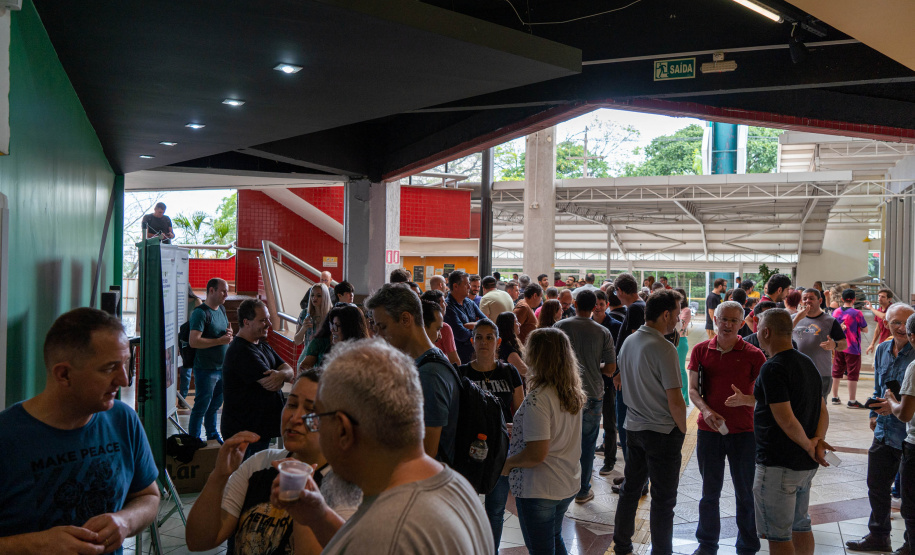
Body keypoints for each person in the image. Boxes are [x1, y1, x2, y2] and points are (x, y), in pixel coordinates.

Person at [271, 339, 493, 554]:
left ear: (343, 430)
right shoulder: (455, 486)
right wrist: (319, 517)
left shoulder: (387, 531)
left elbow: (380, 541)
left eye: (317, 417)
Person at [0, 308, 160, 554]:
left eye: (126, 364)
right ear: (64, 374)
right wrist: (33, 545)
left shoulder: (123, 419)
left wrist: (125, 521)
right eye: (109, 368)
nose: (124, 380)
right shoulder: (8, 436)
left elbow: (149, 496)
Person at [185, 369, 362, 555]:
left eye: (311, 410)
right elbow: (198, 541)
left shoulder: (348, 490)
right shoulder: (260, 464)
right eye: (292, 404)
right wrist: (219, 476)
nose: (294, 418)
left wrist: (305, 514)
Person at [687, 301, 767, 555]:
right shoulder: (701, 350)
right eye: (724, 319)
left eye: (734, 320)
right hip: (709, 431)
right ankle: (707, 543)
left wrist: (747, 400)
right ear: (715, 320)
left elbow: (768, 397)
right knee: (709, 491)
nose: (728, 325)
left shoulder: (755, 355)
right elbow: (692, 390)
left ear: (742, 324)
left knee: (745, 492)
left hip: (744, 432)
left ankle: (747, 544)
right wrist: (706, 410)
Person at [613, 289, 687, 555]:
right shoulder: (664, 348)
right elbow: (675, 399)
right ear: (665, 314)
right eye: (677, 314)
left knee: (630, 490)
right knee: (663, 501)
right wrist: (683, 429)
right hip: (662, 432)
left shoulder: (629, 342)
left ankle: (622, 544)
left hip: (633, 428)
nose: (678, 319)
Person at [752, 308, 831, 555]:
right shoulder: (806, 362)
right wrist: (818, 441)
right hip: (804, 466)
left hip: (779, 466)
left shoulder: (773, 367)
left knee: (779, 536)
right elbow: (822, 410)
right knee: (800, 526)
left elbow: (785, 418)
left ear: (766, 332)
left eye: (758, 328)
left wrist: (810, 444)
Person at [502, 328, 586, 555]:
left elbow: (536, 454)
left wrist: (506, 465)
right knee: (554, 538)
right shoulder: (570, 391)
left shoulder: (538, 398)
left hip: (540, 488)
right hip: (566, 481)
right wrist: (520, 428)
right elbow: (556, 431)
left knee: (541, 549)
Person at [845, 303, 915, 553]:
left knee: (910, 496)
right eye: (895, 322)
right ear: (885, 323)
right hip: (885, 430)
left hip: (909, 435)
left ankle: (910, 542)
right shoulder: (883, 349)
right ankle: (878, 535)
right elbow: (878, 387)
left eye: (906, 323)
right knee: (876, 486)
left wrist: (895, 406)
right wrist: (873, 414)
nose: (901, 328)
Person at [366, 284, 459, 464]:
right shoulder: (427, 362)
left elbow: (425, 454)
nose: (377, 335)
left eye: (383, 327)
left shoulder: (430, 375)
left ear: (406, 319)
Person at [458, 320, 524, 551]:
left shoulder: (509, 371)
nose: (483, 342)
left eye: (489, 337)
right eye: (479, 337)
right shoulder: (462, 373)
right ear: (472, 341)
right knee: (466, 509)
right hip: (469, 452)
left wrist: (515, 427)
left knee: (495, 511)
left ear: (497, 342)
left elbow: (521, 411)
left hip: (501, 451)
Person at [554, 290, 617, 503]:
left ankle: (561, 486)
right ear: (594, 307)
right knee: (588, 442)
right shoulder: (602, 332)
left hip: (563, 392)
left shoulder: (560, 327)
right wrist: (593, 365)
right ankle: (582, 490)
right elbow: (610, 368)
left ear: (575, 303)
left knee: (562, 440)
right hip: (592, 393)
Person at [221, 299, 294, 458]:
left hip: (258, 431)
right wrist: (282, 375)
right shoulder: (241, 352)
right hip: (245, 434)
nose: (268, 323)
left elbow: (289, 370)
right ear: (246, 322)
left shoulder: (261, 345)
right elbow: (272, 385)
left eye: (267, 318)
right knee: (247, 480)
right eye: (262, 320)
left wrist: (281, 374)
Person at [883, 313, 915, 555]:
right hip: (892, 435)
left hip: (913, 443)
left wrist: (891, 401)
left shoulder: (914, 366)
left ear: (913, 337)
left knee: (911, 508)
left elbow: (904, 413)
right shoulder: (884, 349)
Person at [189, 277, 233, 443]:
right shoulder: (200, 313)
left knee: (214, 407)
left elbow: (223, 335)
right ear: (211, 290)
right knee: (201, 407)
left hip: (222, 368)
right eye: (223, 291)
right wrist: (219, 341)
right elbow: (194, 341)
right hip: (206, 369)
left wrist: (228, 336)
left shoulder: (221, 309)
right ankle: (193, 439)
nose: (226, 295)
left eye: (227, 291)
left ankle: (212, 434)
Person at [612, 273, 647, 477]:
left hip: (627, 379)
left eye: (617, 292)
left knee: (625, 427)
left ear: (621, 291)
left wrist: (622, 373)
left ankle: (634, 478)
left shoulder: (635, 308)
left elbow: (635, 343)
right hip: (632, 377)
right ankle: (634, 476)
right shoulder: (640, 306)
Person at [791, 288, 847, 398]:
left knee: (819, 407)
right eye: (805, 299)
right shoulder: (793, 319)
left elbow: (844, 344)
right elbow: (781, 335)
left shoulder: (830, 321)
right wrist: (797, 319)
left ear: (820, 301)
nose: (807, 301)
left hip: (821, 372)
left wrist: (834, 345)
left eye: (811, 298)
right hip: (797, 372)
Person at [832, 288, 869, 408]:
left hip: (839, 346)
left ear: (842, 299)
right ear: (854, 299)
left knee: (837, 371)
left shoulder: (836, 312)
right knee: (852, 374)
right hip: (852, 348)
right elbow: (865, 329)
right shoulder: (857, 313)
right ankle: (852, 401)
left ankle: (834, 397)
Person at [443, 270, 487, 364]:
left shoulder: (469, 302)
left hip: (474, 355)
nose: (469, 287)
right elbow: (461, 335)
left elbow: (487, 322)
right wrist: (479, 329)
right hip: (460, 358)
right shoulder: (448, 307)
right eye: (466, 284)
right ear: (455, 286)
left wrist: (472, 325)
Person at [295, 283, 332, 369]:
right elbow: (297, 341)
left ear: (325, 297)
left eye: (319, 296)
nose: (314, 298)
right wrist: (304, 328)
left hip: (325, 357)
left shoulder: (331, 314)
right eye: (312, 295)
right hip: (307, 356)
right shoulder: (305, 314)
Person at [421, 289, 461, 365]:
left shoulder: (418, 324)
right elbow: (455, 360)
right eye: (443, 302)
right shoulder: (445, 327)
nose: (446, 304)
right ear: (436, 306)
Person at [496, 311, 529, 377]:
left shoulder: (506, 344)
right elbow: (525, 371)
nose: (519, 324)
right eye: (516, 322)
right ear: (509, 325)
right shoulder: (507, 349)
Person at [866, 288, 895, 355]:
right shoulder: (878, 311)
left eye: (883, 297)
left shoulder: (893, 308)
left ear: (889, 299)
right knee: (876, 364)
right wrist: (872, 343)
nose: (879, 298)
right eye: (879, 296)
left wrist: (871, 308)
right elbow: (878, 329)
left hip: (893, 342)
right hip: (882, 342)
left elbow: (884, 316)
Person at [675, 288, 692, 405]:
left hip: (680, 341)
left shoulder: (686, 310)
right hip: (671, 341)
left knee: (681, 369)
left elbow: (679, 326)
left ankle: (685, 398)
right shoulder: (671, 309)